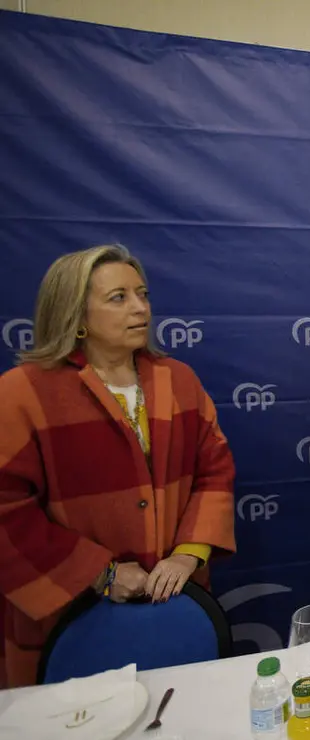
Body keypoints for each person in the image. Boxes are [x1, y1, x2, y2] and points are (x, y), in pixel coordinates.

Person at [0, 244, 236, 688]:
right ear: (77, 314)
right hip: (68, 619)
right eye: (119, 298)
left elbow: (215, 471)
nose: (140, 307)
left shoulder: (178, 380)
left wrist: (189, 554)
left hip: (174, 607)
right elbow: (6, 511)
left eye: (142, 294)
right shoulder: (21, 394)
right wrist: (99, 573)